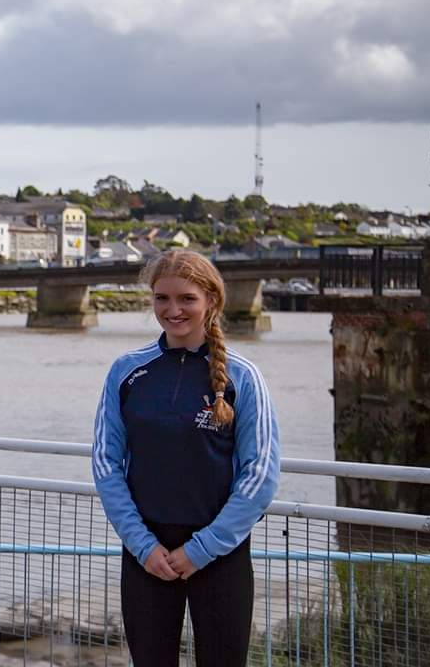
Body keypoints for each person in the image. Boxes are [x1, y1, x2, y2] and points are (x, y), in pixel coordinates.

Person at [91, 249, 280, 667]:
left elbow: (260, 475)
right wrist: (142, 545)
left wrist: (202, 549)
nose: (172, 310)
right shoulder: (126, 371)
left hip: (221, 553)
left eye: (186, 299)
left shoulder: (243, 377)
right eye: (162, 298)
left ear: (211, 300)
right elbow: (106, 464)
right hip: (147, 555)